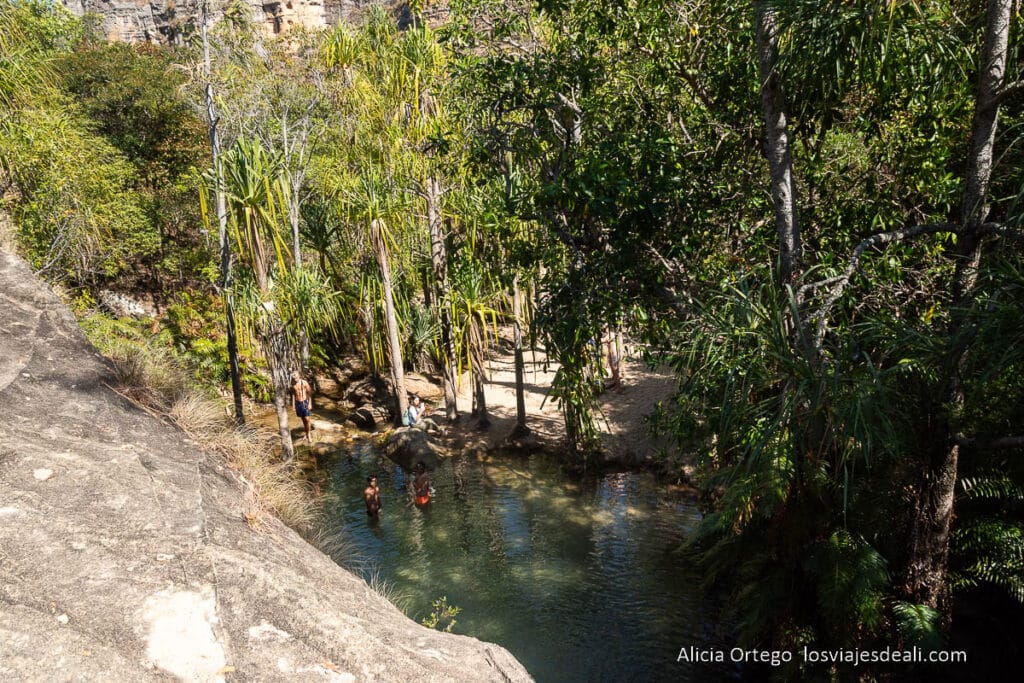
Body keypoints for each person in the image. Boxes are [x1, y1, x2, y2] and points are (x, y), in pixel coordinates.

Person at [290, 371, 313, 443]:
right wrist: (293, 405)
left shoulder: (304, 383)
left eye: (296, 377)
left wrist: (310, 403)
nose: (295, 379)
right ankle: (306, 433)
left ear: (299, 376)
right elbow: (293, 395)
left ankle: (309, 435)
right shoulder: (293, 385)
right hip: (298, 403)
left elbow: (309, 392)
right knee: (303, 419)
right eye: (294, 378)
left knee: (307, 419)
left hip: (305, 402)